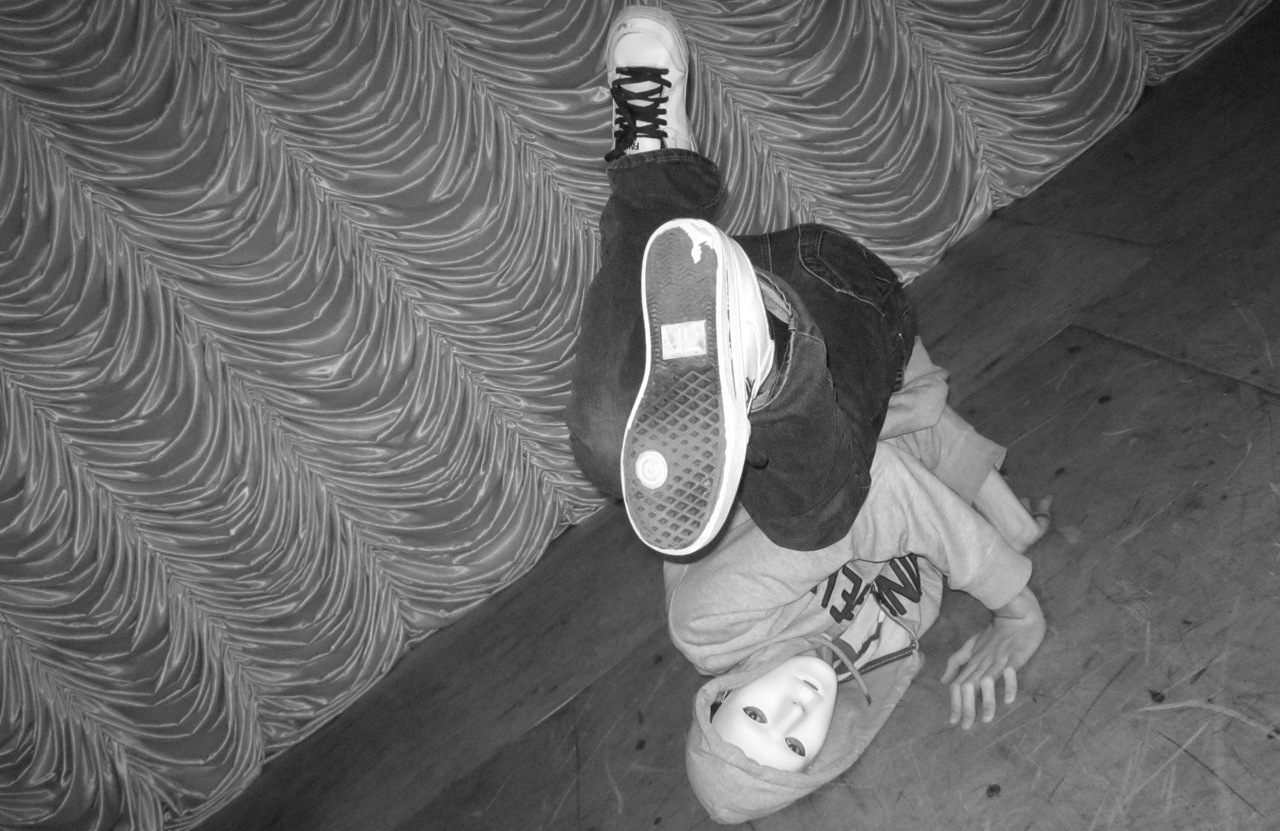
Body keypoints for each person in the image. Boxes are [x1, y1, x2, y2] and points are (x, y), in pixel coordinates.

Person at [566, 5, 1043, 559]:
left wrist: (1010, 537)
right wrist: (1012, 530)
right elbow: (924, 414)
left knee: (620, 454)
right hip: (824, 290)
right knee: (800, 513)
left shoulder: (699, 519)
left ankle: (674, 207)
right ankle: (751, 327)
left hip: (764, 297)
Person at [666, 441, 1049, 822]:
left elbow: (868, 479)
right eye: (795, 746)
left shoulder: (708, 621)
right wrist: (990, 509)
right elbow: (913, 488)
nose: (796, 711)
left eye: (755, 715)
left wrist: (1013, 604)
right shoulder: (885, 645)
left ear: (723, 695)